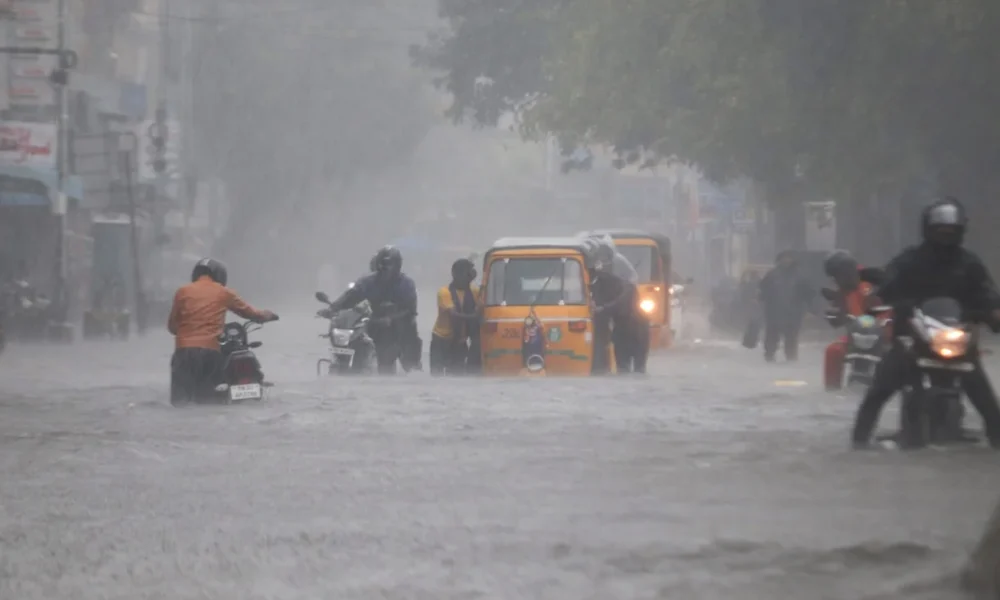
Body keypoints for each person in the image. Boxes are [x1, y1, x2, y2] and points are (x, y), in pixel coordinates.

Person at [850, 197, 1000, 449]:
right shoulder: (909, 260)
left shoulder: (969, 264)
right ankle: (858, 442)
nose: (946, 235)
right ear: (928, 230)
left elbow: (987, 293)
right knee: (878, 391)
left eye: (951, 230)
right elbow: (887, 283)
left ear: (961, 231)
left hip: (957, 339)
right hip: (912, 337)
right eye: (940, 230)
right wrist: (888, 300)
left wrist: (991, 313)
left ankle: (996, 440)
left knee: (986, 400)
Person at [167, 258, 278, 406]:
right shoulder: (224, 292)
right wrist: (267, 315)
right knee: (207, 403)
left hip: (183, 352)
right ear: (219, 275)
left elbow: (172, 326)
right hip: (210, 353)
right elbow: (250, 312)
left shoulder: (182, 292)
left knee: (180, 403)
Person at [328, 246, 423, 372]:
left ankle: (409, 368)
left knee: (403, 357)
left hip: (400, 326)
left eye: (388, 264)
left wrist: (390, 319)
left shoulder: (406, 284)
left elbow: (410, 310)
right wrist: (333, 308)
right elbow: (350, 296)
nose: (384, 268)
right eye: (382, 264)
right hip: (373, 323)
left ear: (397, 266)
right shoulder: (367, 282)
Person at [821, 250, 880, 390]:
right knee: (833, 350)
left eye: (837, 276)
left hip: (884, 334)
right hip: (855, 334)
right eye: (834, 277)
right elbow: (840, 311)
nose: (836, 280)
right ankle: (832, 389)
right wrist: (834, 315)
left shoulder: (873, 281)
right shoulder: (844, 287)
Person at [588, 240, 649, 374]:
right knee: (624, 369)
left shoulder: (628, 288)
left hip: (635, 333)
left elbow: (619, 303)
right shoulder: (603, 282)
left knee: (634, 369)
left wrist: (602, 309)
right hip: (622, 332)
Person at [758, 250, 814, 362]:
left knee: (791, 337)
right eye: (784, 258)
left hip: (793, 313)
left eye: (789, 258)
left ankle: (791, 357)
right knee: (772, 335)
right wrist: (760, 298)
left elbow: (808, 293)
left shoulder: (799, 276)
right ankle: (769, 355)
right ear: (779, 260)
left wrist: (811, 310)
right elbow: (763, 289)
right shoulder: (772, 275)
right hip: (774, 312)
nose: (786, 260)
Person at [430, 258, 480, 375]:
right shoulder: (444, 292)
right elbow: (454, 315)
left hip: (460, 341)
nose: (468, 278)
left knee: (457, 375)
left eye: (470, 275)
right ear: (455, 274)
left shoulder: (474, 292)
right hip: (441, 339)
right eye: (466, 274)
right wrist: (475, 316)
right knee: (436, 374)